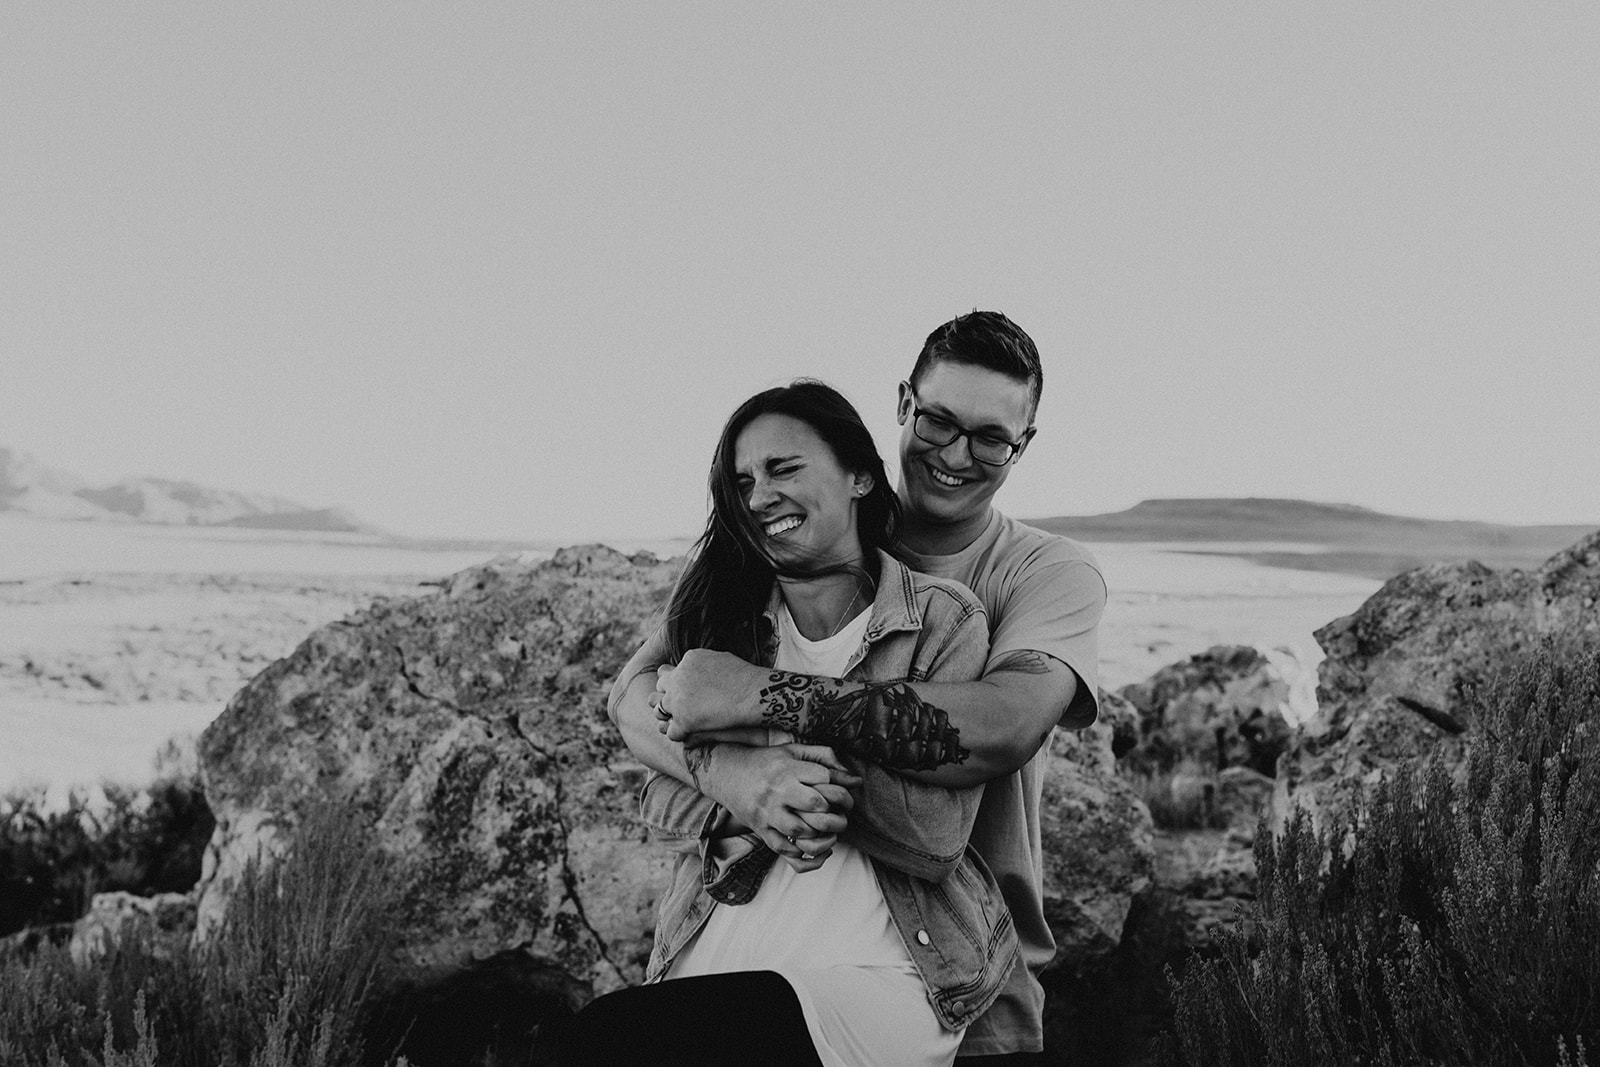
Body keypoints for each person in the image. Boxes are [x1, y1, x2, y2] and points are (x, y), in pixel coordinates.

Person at [610, 311, 1107, 1062]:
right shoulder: (785, 543)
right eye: (939, 421)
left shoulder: (1039, 572)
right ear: (904, 403)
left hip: (960, 987)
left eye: (991, 438)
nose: (956, 454)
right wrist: (739, 776)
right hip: (756, 938)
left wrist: (763, 697)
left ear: (1022, 445)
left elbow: (1004, 725)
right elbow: (640, 695)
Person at [565, 380, 1018, 1067]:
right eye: (742, 480)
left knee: (609, 1036)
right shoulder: (722, 616)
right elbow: (633, 708)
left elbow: (934, 835)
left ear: (860, 474)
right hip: (722, 947)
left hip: (884, 975)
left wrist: (759, 710)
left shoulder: (941, 619)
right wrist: (742, 779)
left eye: (783, 469)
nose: (757, 497)